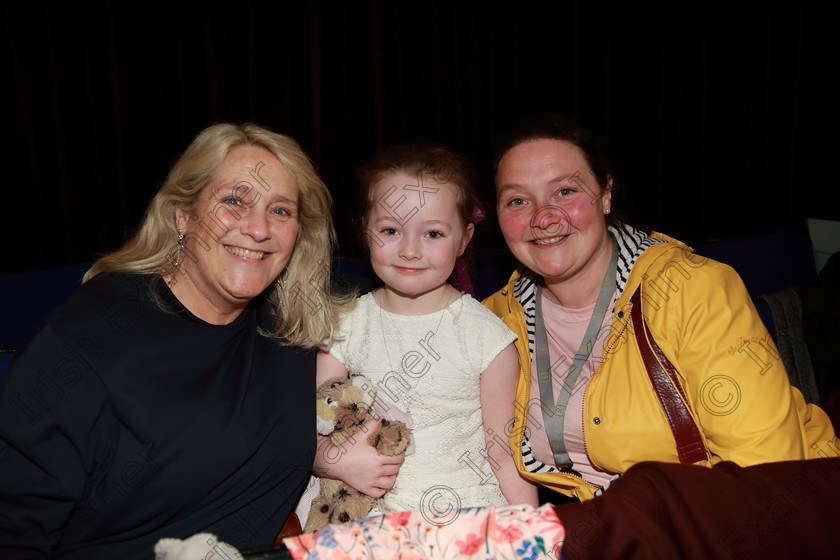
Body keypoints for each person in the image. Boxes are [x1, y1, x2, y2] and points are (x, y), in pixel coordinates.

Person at [0, 123, 352, 558]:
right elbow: (14, 527)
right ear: (181, 214)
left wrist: (326, 455)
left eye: (281, 211)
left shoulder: (292, 329)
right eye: (233, 201)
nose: (258, 228)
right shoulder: (88, 336)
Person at [483, 114, 839, 501]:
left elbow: (765, 470)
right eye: (517, 200)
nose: (543, 217)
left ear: (605, 195)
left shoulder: (692, 289)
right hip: (597, 523)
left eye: (565, 192)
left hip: (729, 517)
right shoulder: (492, 320)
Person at [312, 143, 538, 519]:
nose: (410, 251)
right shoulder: (343, 325)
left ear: (464, 239)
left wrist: (533, 533)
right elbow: (315, 422)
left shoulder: (487, 336)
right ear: (365, 230)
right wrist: (328, 461)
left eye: (432, 234)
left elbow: (504, 452)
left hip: (468, 513)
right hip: (368, 511)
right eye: (391, 230)